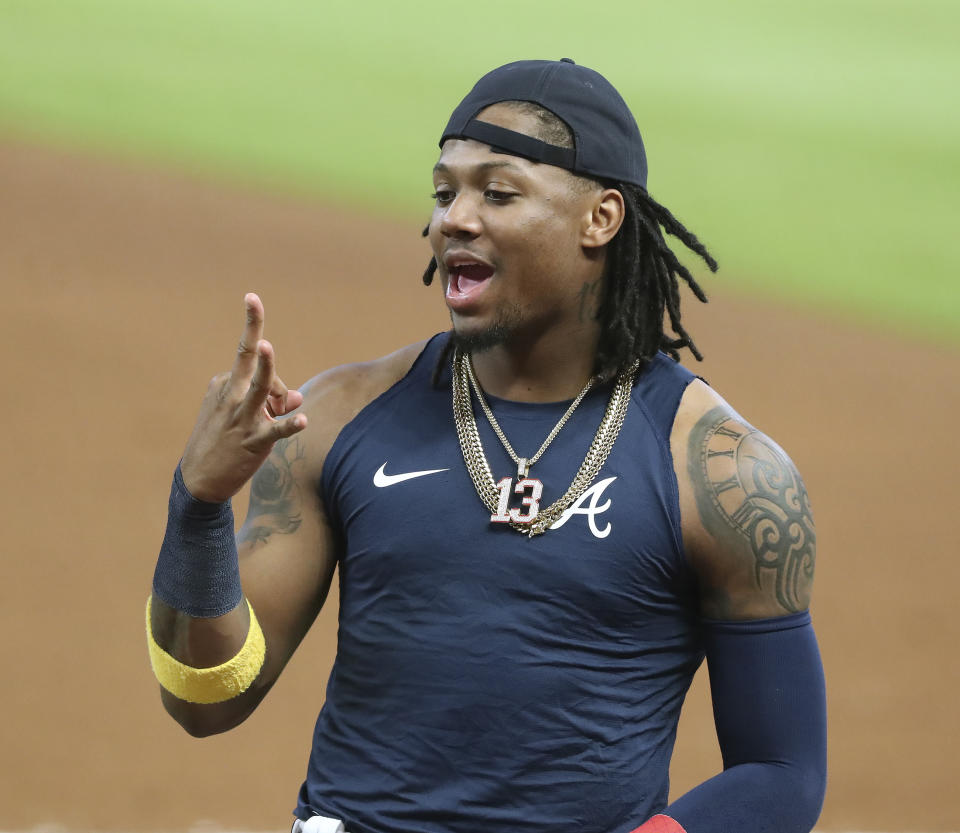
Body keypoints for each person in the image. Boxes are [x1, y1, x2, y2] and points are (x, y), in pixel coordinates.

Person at [146, 59, 827, 833]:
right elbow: (205, 698)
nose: (453, 219)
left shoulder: (721, 473)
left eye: (497, 193)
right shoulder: (336, 420)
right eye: (444, 192)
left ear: (599, 219)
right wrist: (197, 507)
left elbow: (782, 773)